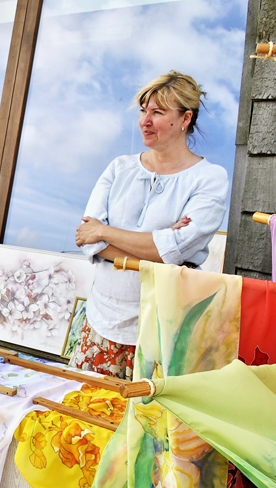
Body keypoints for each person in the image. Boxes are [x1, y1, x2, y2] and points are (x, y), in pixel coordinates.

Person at [71, 71, 229, 380]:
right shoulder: (119, 168)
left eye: (157, 112)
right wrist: (161, 243)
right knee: (87, 418)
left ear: (185, 119)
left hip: (162, 330)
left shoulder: (209, 178)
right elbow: (87, 239)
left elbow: (177, 247)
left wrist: (105, 231)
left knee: (148, 424)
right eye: (144, 111)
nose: (145, 120)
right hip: (101, 323)